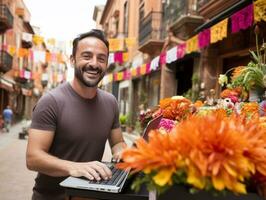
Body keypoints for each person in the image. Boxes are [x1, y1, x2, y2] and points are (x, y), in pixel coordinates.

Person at [26, 29, 127, 200]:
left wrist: (122, 152)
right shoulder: (51, 101)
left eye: (101, 58)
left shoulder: (111, 102)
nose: (94, 64)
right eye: (87, 56)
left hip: (90, 195)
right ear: (72, 60)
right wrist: (73, 167)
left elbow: (117, 142)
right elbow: (33, 158)